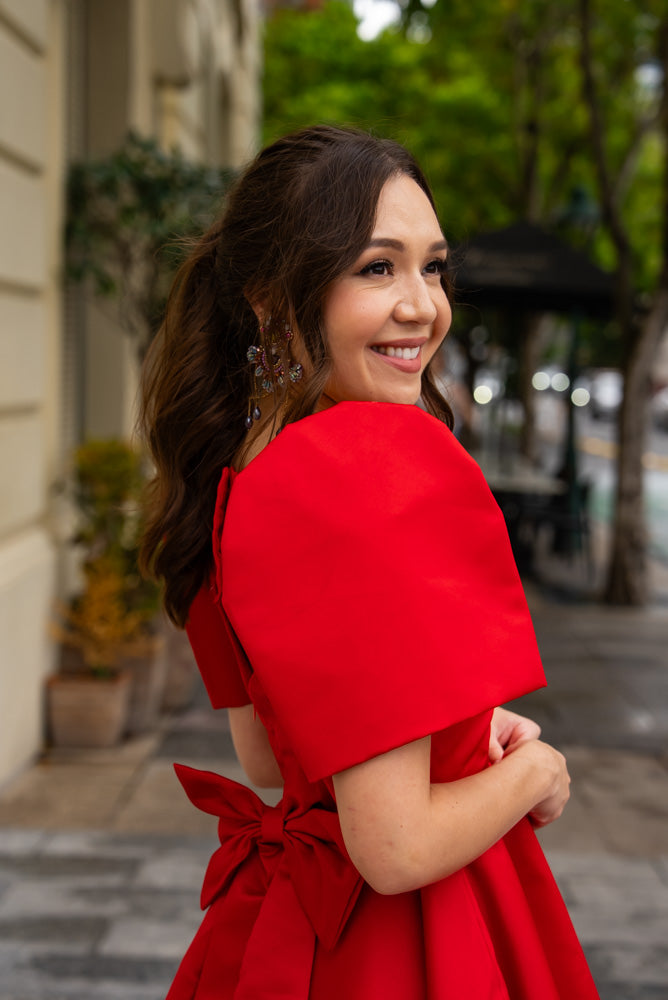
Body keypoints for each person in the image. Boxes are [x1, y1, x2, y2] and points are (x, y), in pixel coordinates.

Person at [139, 125, 600, 999]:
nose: (422, 305)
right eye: (376, 268)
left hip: (295, 925)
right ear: (273, 299)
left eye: (433, 267)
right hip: (411, 941)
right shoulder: (367, 470)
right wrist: (533, 770)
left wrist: (458, 729)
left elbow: (274, 763)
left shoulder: (238, 471)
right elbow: (395, 849)